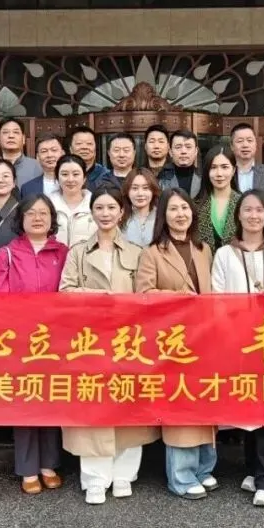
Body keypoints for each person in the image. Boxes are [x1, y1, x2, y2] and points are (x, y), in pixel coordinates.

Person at [60, 188, 159, 504]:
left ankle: (124, 475)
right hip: (89, 341)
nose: (105, 213)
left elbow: (145, 296)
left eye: (111, 208)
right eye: (99, 208)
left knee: (128, 406)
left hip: (127, 340)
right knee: (93, 409)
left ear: (121, 212)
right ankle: (94, 479)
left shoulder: (137, 252)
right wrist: (99, 298)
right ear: (92, 212)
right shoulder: (77, 252)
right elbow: (65, 292)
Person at [211, 190, 264, 508]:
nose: (253, 215)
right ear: (238, 215)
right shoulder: (225, 253)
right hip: (237, 339)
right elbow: (217, 296)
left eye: (259, 210)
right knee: (246, 402)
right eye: (247, 210)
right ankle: (252, 468)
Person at [135, 189, 216, 499]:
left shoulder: (203, 249)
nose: (180, 214)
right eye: (173, 209)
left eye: (185, 208)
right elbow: (143, 295)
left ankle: (204, 468)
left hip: (204, 337)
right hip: (172, 340)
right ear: (163, 216)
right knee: (181, 405)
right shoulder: (152, 253)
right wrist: (179, 299)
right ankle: (181, 476)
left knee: (205, 402)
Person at [0, 193, 68, 496]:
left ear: (52, 219)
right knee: (26, 401)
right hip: (20, 341)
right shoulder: (7, 254)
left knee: (52, 399)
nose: (37, 218)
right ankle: (28, 467)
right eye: (31, 213)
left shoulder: (63, 252)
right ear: (20, 219)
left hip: (55, 340)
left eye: (44, 213)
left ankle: (49, 463)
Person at [195, 144, 240, 252]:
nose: (219, 173)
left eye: (224, 167)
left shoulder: (244, 203)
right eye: (213, 167)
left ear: (233, 170)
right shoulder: (196, 205)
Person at [50, 154, 96, 247]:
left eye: (76, 174)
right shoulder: (47, 205)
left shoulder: (96, 205)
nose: (70, 179)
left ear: (84, 178)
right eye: (64, 174)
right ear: (57, 178)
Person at [230, 123, 264, 202]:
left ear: (256, 144)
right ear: (232, 146)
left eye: (249, 140)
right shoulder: (226, 174)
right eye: (240, 141)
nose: (245, 145)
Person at [68, 126, 118, 191]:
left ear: (95, 148)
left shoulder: (107, 177)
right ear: (71, 149)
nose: (84, 147)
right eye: (79, 143)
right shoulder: (63, 174)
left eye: (89, 144)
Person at [0, 117, 42, 185]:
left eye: (16, 132)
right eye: (5, 132)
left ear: (23, 139)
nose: (11, 136)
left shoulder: (37, 166)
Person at [121, 168, 159, 248]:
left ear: (153, 191)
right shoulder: (119, 217)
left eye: (145, 188)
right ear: (127, 191)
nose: (140, 194)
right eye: (134, 188)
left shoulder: (161, 216)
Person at [19, 133, 64, 198]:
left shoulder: (75, 182)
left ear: (62, 153)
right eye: (44, 151)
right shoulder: (27, 188)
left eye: (54, 150)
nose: (49, 155)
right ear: (37, 157)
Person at [159, 129, 202, 198]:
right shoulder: (161, 179)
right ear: (170, 152)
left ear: (196, 151)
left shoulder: (204, 177)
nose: (183, 151)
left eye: (188, 147)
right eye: (178, 147)